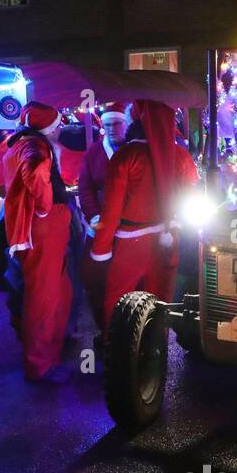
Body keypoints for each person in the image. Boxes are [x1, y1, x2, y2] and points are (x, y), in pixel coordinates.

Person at [90, 99, 200, 329]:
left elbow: (111, 210)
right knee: (160, 299)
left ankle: (116, 347)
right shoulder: (181, 156)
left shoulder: (126, 156)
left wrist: (100, 248)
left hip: (131, 242)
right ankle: (154, 349)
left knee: (117, 299)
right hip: (167, 238)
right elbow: (191, 199)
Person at [2, 102, 73, 382]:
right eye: (57, 125)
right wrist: (45, 208)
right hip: (44, 226)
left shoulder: (21, 142)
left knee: (59, 290)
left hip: (45, 225)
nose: (60, 130)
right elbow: (35, 172)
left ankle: (49, 354)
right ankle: (40, 364)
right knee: (44, 297)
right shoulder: (35, 145)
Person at [77, 104, 130, 329]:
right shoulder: (94, 152)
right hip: (101, 223)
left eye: (116, 124)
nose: (111, 129)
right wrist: (94, 215)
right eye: (107, 125)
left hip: (129, 225)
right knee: (95, 276)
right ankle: (105, 327)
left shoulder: (133, 151)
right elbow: (85, 187)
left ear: (126, 125)